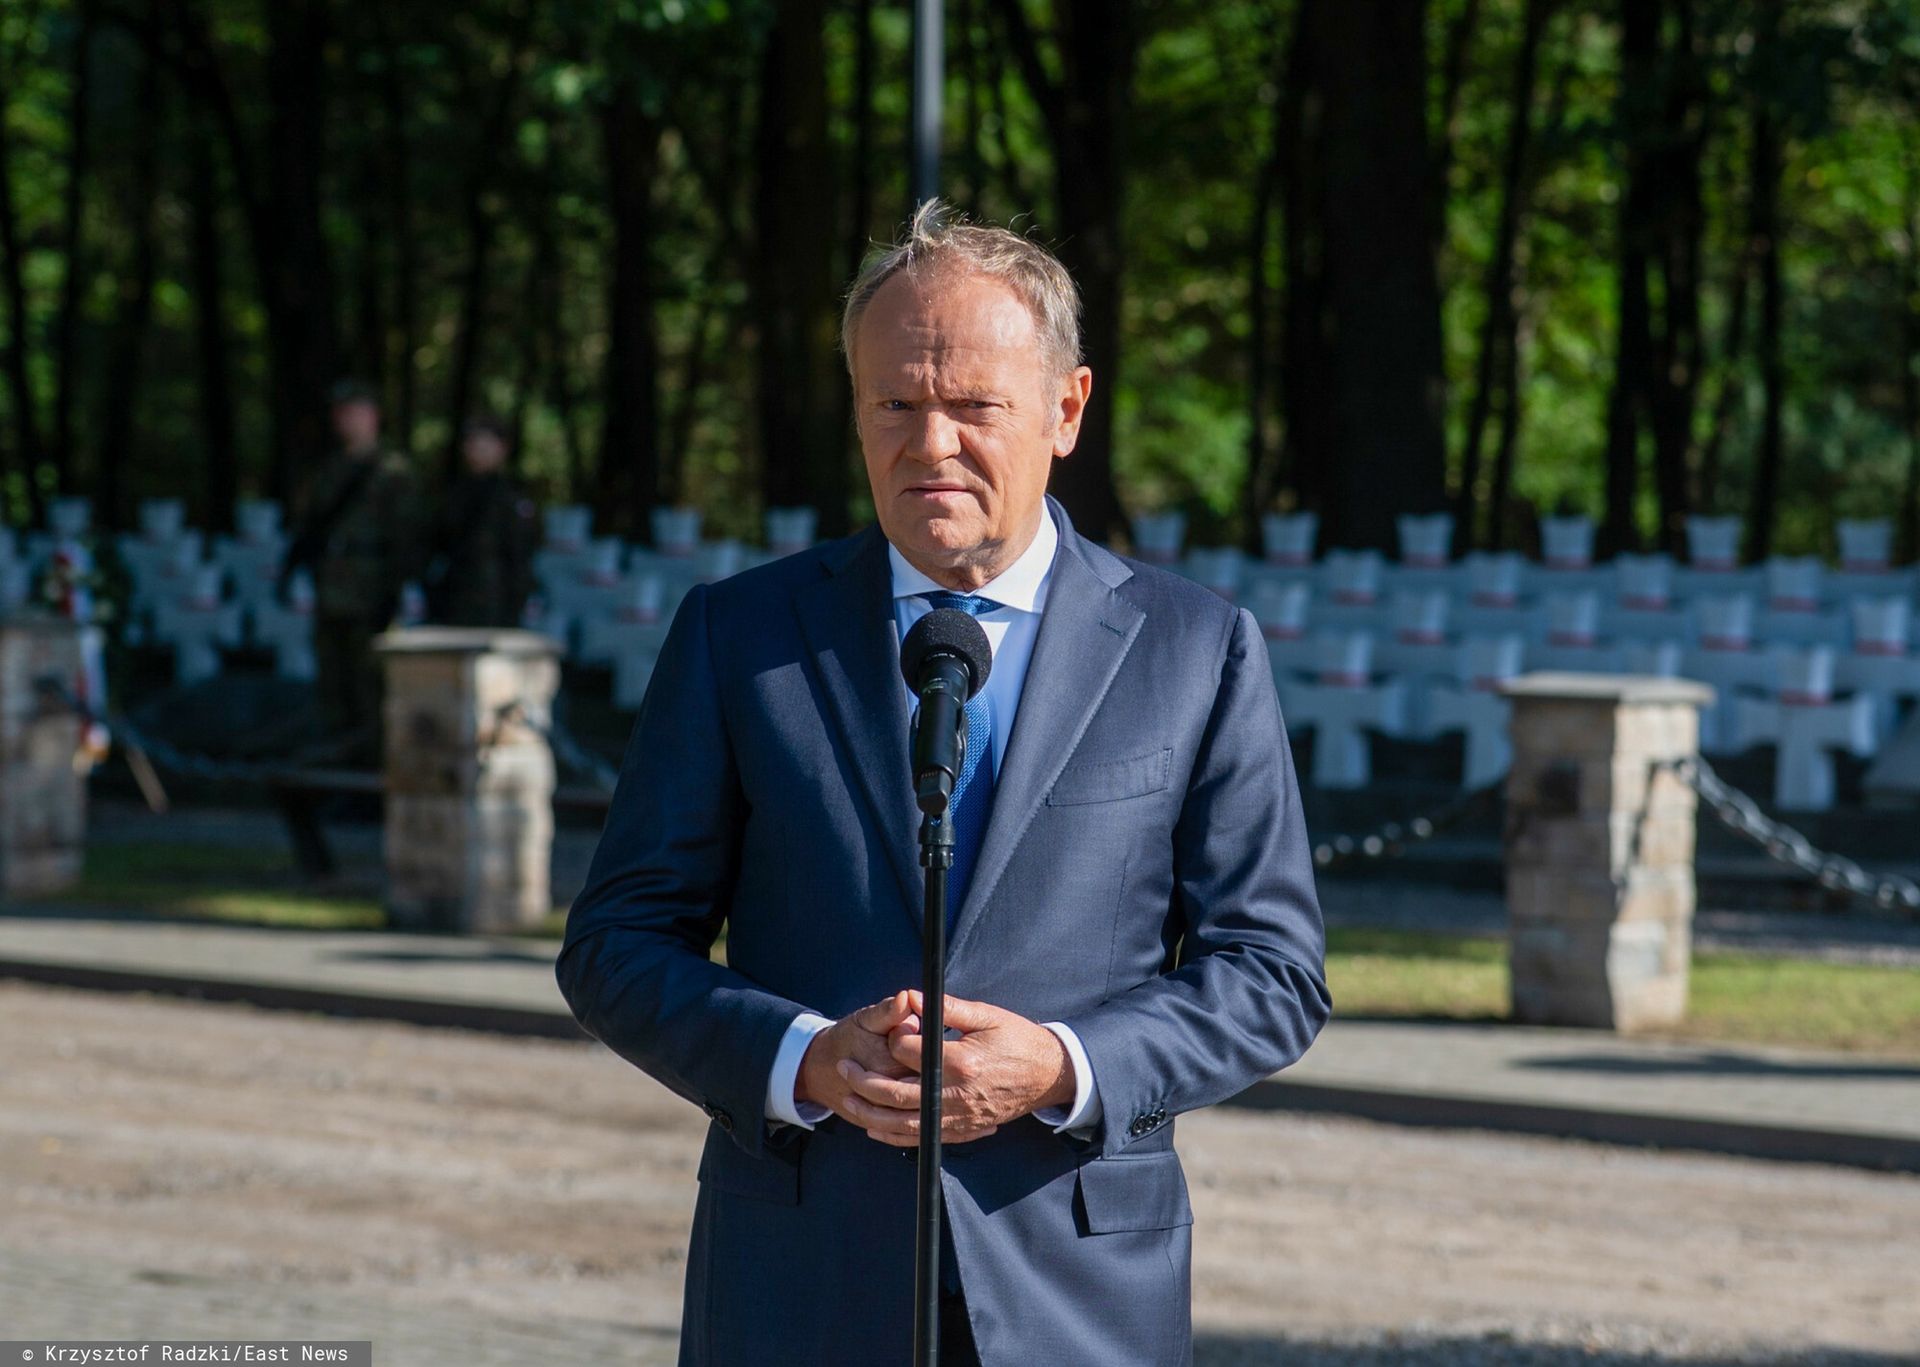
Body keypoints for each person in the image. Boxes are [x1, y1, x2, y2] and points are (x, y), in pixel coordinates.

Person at [556, 203, 1331, 1367]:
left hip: (1076, 1287)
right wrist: (802, 1058)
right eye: (895, 404)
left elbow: (1273, 971)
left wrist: (1063, 1064)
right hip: (802, 1282)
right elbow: (616, 941)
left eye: (974, 406)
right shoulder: (740, 634)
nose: (931, 446)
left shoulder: (1194, 648)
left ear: (1066, 409)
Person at [281, 379, 425, 756]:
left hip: (372, 591)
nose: (348, 420)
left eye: (356, 411)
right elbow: (309, 528)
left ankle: (372, 769)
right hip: (331, 592)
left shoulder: (392, 472)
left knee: (370, 688)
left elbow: (407, 538)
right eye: (341, 413)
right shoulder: (326, 471)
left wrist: (395, 592)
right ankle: (339, 766)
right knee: (333, 687)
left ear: (374, 416)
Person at [424, 414, 539, 627]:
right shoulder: (452, 495)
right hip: (453, 599)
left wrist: (517, 602)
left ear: (503, 448)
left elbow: (520, 556)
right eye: (473, 441)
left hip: (497, 602)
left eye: (486, 441)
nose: (478, 448)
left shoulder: (511, 499)